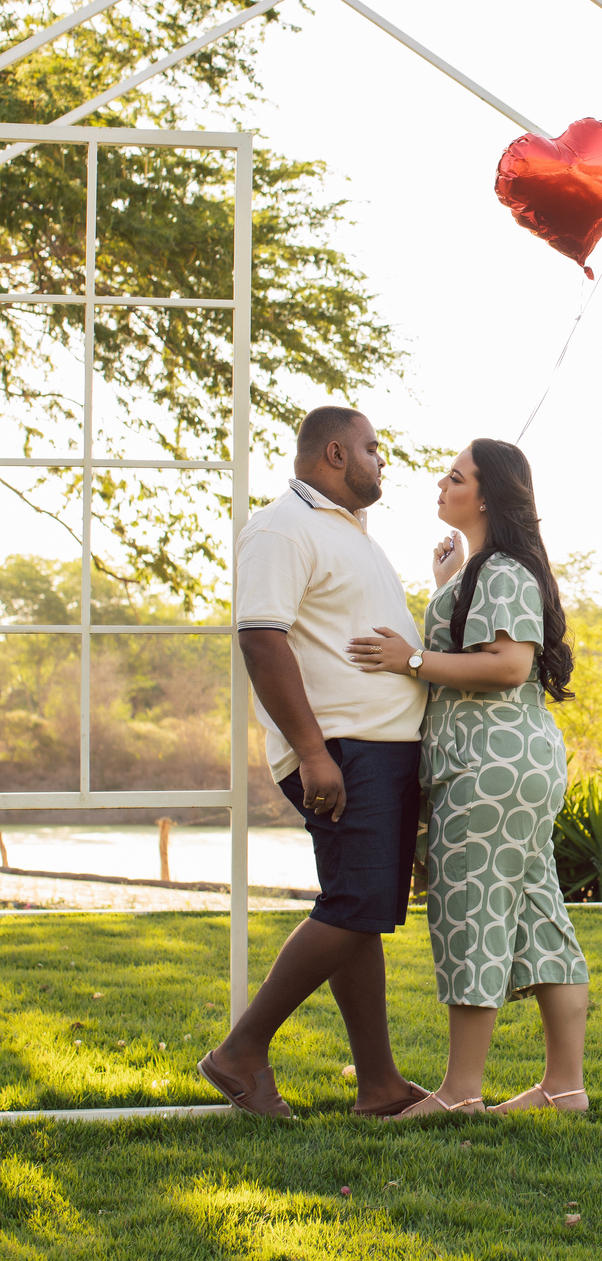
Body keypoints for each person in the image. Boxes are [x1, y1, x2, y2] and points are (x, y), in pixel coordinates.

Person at [198, 406, 429, 1119]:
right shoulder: (281, 527)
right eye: (372, 448)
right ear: (335, 453)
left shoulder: (350, 531)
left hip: (377, 749)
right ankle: (240, 1052)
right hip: (341, 751)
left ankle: (379, 1085)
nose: (381, 461)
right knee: (355, 906)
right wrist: (310, 751)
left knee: (360, 912)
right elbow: (261, 638)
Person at [347, 438, 589, 1117]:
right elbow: (479, 647)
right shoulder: (490, 570)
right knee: (539, 918)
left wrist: (409, 660)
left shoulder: (503, 571)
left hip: (486, 768)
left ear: (486, 496)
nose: (441, 484)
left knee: (472, 913)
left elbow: (508, 665)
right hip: (513, 764)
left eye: (455, 477)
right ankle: (564, 1090)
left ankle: (459, 1094)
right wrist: (450, 582)